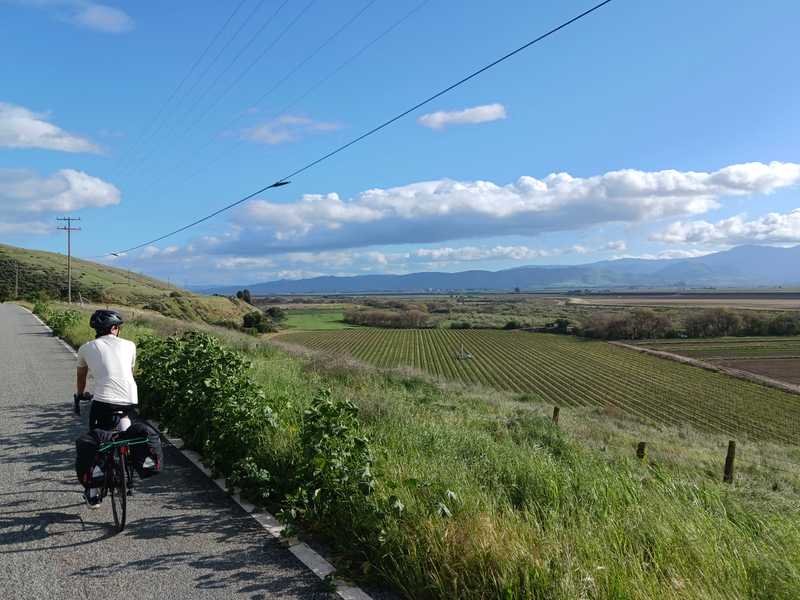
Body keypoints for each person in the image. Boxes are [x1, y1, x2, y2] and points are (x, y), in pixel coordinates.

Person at [75, 309, 138, 507]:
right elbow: (129, 371)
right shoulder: (130, 345)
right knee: (124, 425)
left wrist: (80, 394)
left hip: (103, 401)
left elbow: (81, 377)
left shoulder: (86, 348)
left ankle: (93, 494)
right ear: (114, 328)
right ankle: (127, 462)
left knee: (98, 441)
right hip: (130, 398)